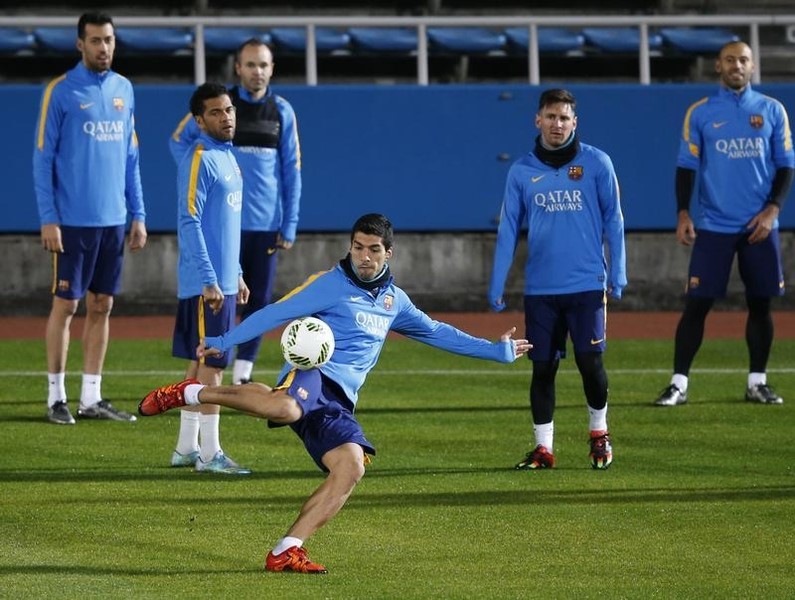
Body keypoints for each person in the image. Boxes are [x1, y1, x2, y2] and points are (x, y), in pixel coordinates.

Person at [139, 213, 530, 574]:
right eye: (358, 247)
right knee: (286, 408)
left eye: (373, 249)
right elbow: (276, 312)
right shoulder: (329, 284)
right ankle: (192, 393)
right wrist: (224, 340)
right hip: (311, 375)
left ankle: (286, 549)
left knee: (351, 466)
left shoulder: (395, 302)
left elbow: (437, 332)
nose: (364, 256)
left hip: (341, 401)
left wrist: (495, 351)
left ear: (388, 253)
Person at [488, 88, 627, 471]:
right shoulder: (521, 170)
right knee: (543, 368)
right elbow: (508, 229)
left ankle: (599, 435)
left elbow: (614, 219)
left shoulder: (597, 163)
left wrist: (619, 271)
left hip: (586, 285)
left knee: (590, 362)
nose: (557, 124)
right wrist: (497, 281)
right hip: (541, 290)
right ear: (538, 120)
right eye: (550, 116)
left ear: (574, 122)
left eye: (564, 117)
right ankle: (543, 449)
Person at [654, 41, 795, 407]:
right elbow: (686, 167)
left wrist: (772, 210)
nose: (737, 65)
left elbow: (786, 166)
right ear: (718, 66)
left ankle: (757, 383)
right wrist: (683, 213)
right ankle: (678, 384)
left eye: (744, 60)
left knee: (760, 304)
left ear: (753, 66)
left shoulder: (772, 110)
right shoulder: (700, 113)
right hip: (714, 225)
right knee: (697, 304)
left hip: (759, 227)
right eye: (730, 59)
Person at [32, 12, 147, 425]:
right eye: (96, 41)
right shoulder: (60, 92)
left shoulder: (124, 89)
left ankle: (91, 397)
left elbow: (131, 157)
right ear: (80, 44)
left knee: (102, 305)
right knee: (67, 305)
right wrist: (50, 218)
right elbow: (42, 160)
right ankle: (56, 398)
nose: (104, 48)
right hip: (73, 222)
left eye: (110, 40)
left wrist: (138, 213)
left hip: (114, 220)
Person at [169, 38, 301, 386]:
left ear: (272, 69)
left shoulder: (281, 111)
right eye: (251, 65)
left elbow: (293, 169)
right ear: (238, 68)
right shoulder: (216, 106)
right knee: (218, 311)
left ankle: (243, 372)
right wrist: (197, 177)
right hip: (221, 222)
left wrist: (290, 222)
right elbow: (178, 141)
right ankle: (212, 394)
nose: (257, 71)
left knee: (258, 300)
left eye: (264, 65)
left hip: (264, 222)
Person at [167, 82, 251, 474]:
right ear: (199, 121)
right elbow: (191, 219)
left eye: (229, 110)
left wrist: (236, 273)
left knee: (197, 365)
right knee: (213, 367)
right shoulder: (200, 155)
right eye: (216, 112)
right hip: (208, 287)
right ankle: (209, 454)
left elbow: (225, 226)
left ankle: (185, 448)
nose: (226, 117)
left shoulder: (228, 157)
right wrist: (210, 278)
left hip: (223, 282)